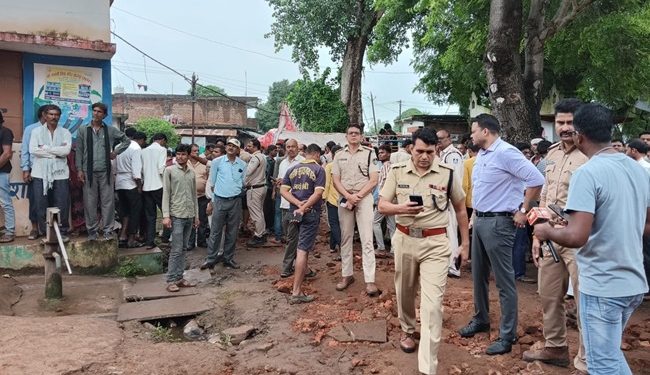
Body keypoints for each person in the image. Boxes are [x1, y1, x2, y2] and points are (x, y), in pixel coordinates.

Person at [533, 103, 649, 374]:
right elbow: (645, 223)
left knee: (602, 363)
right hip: (632, 281)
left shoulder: (588, 172)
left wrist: (545, 231)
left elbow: (576, 236)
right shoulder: (636, 169)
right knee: (608, 355)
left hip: (603, 284)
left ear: (579, 135)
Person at [378, 128, 470, 375]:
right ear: (411, 148)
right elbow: (382, 204)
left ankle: (427, 367)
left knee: (432, 305)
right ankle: (407, 330)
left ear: (436, 150)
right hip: (405, 240)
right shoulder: (397, 172)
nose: (424, 157)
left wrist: (464, 244)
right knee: (404, 291)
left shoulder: (447, 174)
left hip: (436, 244)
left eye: (430, 152)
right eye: (420, 151)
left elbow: (461, 209)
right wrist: (400, 208)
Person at [458, 114, 544, 355]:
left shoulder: (507, 152)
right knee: (478, 275)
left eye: (474, 131)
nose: (471, 135)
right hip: (482, 219)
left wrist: (523, 210)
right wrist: (475, 216)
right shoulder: (483, 155)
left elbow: (536, 179)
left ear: (485, 131)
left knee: (504, 281)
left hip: (500, 222)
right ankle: (481, 319)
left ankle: (507, 336)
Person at [522, 98, 588, 373]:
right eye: (560, 122)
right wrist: (538, 235)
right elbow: (547, 194)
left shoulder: (590, 155)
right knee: (549, 294)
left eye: (570, 122)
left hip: (578, 238)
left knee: (585, 300)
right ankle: (556, 346)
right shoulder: (552, 154)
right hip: (550, 235)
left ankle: (587, 359)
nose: (564, 127)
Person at [333, 124, 380, 296]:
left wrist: (357, 197)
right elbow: (336, 180)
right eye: (350, 133)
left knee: (367, 239)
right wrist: (348, 196)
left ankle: (370, 280)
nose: (353, 135)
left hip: (364, 198)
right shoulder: (339, 155)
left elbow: (373, 180)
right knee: (345, 238)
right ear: (346, 136)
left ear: (361, 136)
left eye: (356, 133)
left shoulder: (369, 153)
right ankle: (347, 275)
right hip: (345, 198)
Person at [75, 102, 130, 241]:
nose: (96, 114)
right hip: (88, 172)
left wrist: (116, 152)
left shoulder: (110, 130)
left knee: (108, 202)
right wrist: (79, 170)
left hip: (105, 172)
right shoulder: (83, 129)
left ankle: (107, 230)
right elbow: (79, 151)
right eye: (94, 111)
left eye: (99, 112)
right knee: (90, 202)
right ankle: (92, 231)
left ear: (104, 115)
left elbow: (126, 140)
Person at [280, 143, 326, 304]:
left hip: (293, 212)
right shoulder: (319, 170)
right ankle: (296, 292)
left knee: (295, 243)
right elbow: (318, 192)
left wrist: (297, 205)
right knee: (302, 251)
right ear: (317, 155)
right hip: (309, 213)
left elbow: (283, 190)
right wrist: (305, 206)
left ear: (305, 154)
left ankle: (304, 272)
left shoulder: (292, 169)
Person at [201, 138, 247, 270]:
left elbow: (243, 183)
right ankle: (210, 259)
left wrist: (238, 190)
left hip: (235, 201)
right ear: (226, 147)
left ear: (238, 150)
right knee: (215, 231)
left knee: (232, 232)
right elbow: (212, 182)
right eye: (229, 145)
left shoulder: (242, 165)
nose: (231, 148)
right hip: (220, 200)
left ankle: (228, 258)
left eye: (234, 146)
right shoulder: (217, 162)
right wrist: (212, 201)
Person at [29, 104, 72, 239]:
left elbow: (65, 151)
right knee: (41, 204)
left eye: (56, 115)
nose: (54, 117)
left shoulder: (65, 132)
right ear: (45, 116)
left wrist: (46, 148)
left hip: (60, 173)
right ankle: (45, 233)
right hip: (40, 173)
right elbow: (33, 150)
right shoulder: (36, 131)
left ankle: (62, 232)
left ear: (59, 116)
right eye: (51, 114)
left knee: (61, 204)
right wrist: (55, 152)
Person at [162, 144, 198, 292]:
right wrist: (165, 216)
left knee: (184, 248)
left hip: (189, 215)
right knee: (176, 249)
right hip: (176, 215)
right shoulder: (169, 171)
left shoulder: (191, 172)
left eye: (183, 154)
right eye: (178, 154)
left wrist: (196, 216)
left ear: (188, 155)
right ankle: (171, 280)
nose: (180, 157)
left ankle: (180, 277)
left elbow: (194, 195)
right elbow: (166, 194)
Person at [437, 129, 465, 278]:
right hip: (444, 199)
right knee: (447, 233)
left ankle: (454, 265)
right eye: (437, 139)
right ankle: (448, 263)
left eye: (441, 139)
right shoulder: (444, 154)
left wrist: (450, 198)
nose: (439, 142)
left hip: (452, 199)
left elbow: (456, 178)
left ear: (449, 138)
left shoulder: (453, 155)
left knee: (452, 233)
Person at [278, 139, 306, 278]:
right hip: (284, 204)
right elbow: (282, 182)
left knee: (292, 237)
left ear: (297, 148)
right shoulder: (283, 163)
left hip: (296, 206)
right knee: (289, 236)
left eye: (293, 147)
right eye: (288, 147)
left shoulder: (303, 162)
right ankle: (304, 267)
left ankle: (287, 267)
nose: (290, 149)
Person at [116, 131, 145, 248]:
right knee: (135, 211)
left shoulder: (118, 146)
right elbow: (136, 171)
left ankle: (123, 235)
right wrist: (139, 186)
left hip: (119, 181)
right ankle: (131, 238)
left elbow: (113, 165)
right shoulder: (135, 147)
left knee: (124, 211)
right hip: (131, 183)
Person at [21, 105, 47, 239]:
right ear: (43, 114)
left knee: (51, 200)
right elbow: (25, 150)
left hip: (51, 171)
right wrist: (26, 169)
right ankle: (35, 229)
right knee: (35, 200)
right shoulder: (30, 129)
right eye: (50, 113)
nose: (54, 117)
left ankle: (49, 230)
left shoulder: (56, 131)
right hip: (34, 170)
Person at [141, 133, 168, 249]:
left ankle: (150, 241)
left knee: (150, 216)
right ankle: (166, 237)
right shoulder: (162, 150)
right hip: (159, 185)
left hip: (146, 187)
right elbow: (161, 169)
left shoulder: (144, 151)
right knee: (166, 212)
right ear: (162, 140)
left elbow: (141, 170)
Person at [373, 144, 395, 257]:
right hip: (390, 200)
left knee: (375, 222)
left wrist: (379, 200)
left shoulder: (386, 166)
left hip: (384, 200)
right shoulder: (390, 166)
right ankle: (393, 250)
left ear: (389, 154)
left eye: (382, 152)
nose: (380, 154)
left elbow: (385, 185)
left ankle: (381, 248)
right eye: (379, 153)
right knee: (391, 225)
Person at [244, 139, 268, 247]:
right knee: (259, 212)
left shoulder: (255, 158)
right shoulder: (262, 156)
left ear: (255, 147)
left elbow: (248, 172)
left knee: (255, 213)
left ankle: (258, 236)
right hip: (261, 187)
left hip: (255, 188)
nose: (247, 148)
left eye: (249, 146)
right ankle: (262, 233)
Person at [187, 143, 210, 249]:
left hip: (202, 196)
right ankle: (190, 242)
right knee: (190, 219)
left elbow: (209, 178)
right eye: (193, 151)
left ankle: (201, 241)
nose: (196, 153)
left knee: (202, 219)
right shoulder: (185, 163)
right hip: (189, 197)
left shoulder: (204, 163)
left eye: (197, 151)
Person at [323, 145, 342, 256]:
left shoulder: (330, 166)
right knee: (339, 224)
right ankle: (332, 245)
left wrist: (324, 198)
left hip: (332, 199)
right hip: (342, 199)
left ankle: (340, 245)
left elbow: (327, 183)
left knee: (334, 224)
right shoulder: (345, 165)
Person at [0, 111, 15, 243]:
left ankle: (10, 231)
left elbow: (6, 153)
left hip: (1, 172)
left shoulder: (5, 132)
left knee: (5, 202)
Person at [462, 143, 480, 219]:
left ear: (469, 151)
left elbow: (465, 184)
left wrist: (462, 201)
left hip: (470, 200)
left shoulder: (467, 162)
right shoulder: (487, 160)